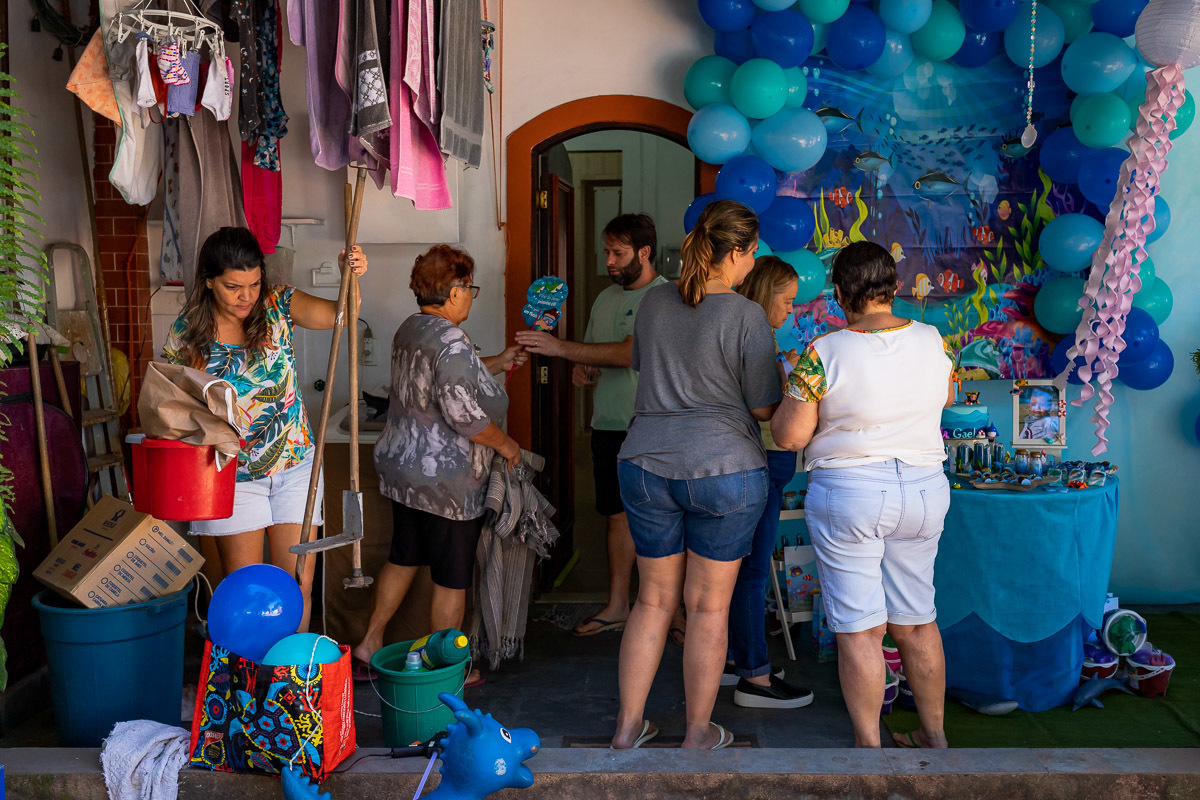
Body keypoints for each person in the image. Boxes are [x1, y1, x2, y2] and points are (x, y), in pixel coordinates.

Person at [771, 241, 955, 749]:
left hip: (851, 492)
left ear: (838, 294)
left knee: (860, 630)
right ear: (894, 287)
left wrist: (793, 394)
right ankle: (934, 737)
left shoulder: (822, 353)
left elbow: (789, 436)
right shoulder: (934, 340)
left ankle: (869, 750)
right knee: (917, 621)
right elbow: (947, 396)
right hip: (923, 488)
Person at [611, 200, 781, 751]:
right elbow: (762, 407)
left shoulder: (655, 302)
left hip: (644, 465)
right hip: (724, 470)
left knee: (653, 601)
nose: (753, 264)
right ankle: (698, 732)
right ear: (734, 251)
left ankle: (627, 727)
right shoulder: (746, 316)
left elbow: (643, 366)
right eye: (751, 253)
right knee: (708, 606)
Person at [163, 226, 368, 632]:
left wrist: (353, 275)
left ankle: (291, 684)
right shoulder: (187, 333)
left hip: (295, 466)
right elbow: (171, 406)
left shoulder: (277, 305)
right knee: (250, 593)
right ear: (208, 282)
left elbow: (341, 314)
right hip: (232, 476)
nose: (246, 296)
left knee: (297, 583)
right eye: (233, 286)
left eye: (254, 283)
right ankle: (252, 687)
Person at [352, 245, 526, 683]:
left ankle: (370, 642)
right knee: (451, 575)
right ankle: (447, 669)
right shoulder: (452, 338)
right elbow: (463, 415)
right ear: (453, 293)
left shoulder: (411, 328)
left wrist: (497, 363)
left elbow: (442, 377)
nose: (471, 297)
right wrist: (506, 445)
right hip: (445, 478)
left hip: (404, 470)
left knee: (404, 555)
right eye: (470, 289)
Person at [514, 214, 677, 640]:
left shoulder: (665, 298)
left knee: (664, 521)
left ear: (644, 252)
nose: (608, 260)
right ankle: (619, 604)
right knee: (616, 517)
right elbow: (594, 356)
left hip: (652, 427)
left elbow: (628, 354)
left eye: (618, 253)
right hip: (608, 426)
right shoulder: (605, 298)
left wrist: (559, 348)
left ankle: (673, 613)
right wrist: (581, 368)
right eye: (607, 251)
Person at [726, 256, 814, 709]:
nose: (790, 312)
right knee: (752, 569)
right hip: (764, 457)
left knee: (740, 568)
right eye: (787, 302)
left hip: (759, 458)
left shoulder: (744, 330)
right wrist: (794, 380)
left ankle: (736, 658)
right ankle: (754, 676)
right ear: (765, 296)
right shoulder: (755, 333)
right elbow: (765, 407)